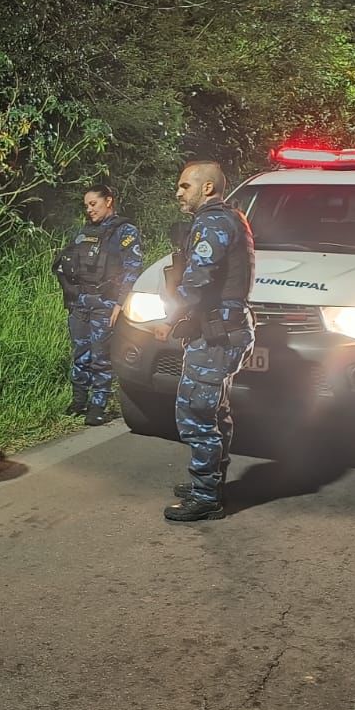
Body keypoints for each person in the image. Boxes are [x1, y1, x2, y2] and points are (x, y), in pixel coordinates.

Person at [164, 161, 255, 524]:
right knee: (215, 412)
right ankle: (211, 483)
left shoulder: (214, 222)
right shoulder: (230, 218)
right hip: (225, 331)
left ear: (207, 188)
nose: (178, 192)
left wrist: (169, 316)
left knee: (196, 414)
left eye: (185, 186)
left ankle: (206, 497)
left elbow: (199, 279)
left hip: (217, 336)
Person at [53, 184, 144, 426]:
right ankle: (78, 401)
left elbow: (132, 267)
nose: (89, 209)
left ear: (108, 201)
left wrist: (120, 303)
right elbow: (68, 263)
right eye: (86, 205)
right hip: (80, 301)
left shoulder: (124, 231)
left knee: (100, 357)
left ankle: (98, 406)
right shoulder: (84, 232)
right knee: (80, 353)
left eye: (93, 204)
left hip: (106, 303)